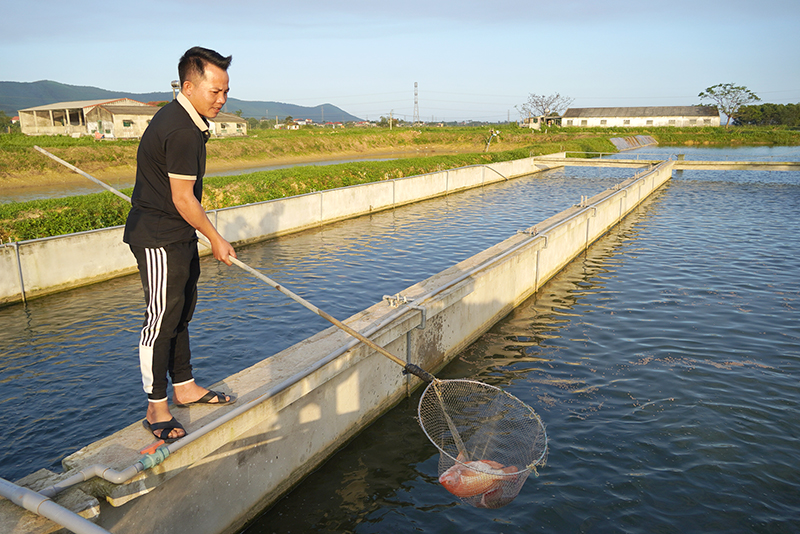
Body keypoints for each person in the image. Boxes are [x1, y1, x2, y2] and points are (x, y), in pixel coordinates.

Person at [124, 46, 237, 442]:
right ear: (189, 87)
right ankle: (156, 406)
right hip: (157, 237)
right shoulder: (182, 129)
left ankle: (185, 386)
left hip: (177, 233)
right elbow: (183, 198)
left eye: (226, 91)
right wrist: (216, 239)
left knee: (181, 310)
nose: (222, 99)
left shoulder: (187, 120)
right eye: (214, 92)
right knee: (160, 320)